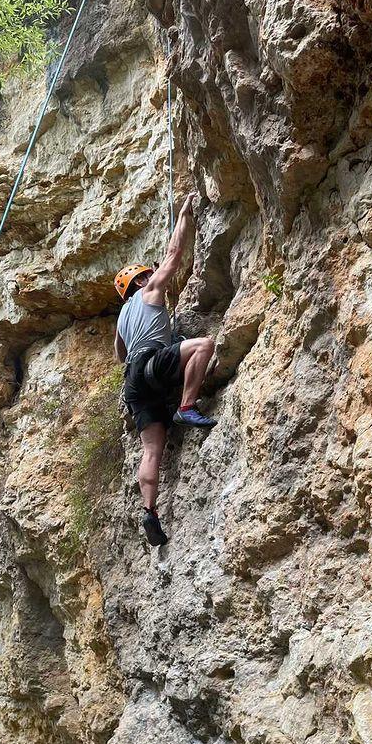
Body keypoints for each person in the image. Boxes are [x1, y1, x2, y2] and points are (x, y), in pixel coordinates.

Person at [114, 194, 216, 547]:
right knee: (203, 345)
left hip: (133, 384)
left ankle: (150, 512)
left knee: (152, 450)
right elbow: (174, 256)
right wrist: (184, 216)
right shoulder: (150, 290)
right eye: (147, 274)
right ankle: (187, 407)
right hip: (151, 364)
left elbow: (119, 355)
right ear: (141, 282)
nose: (152, 276)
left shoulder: (122, 319)